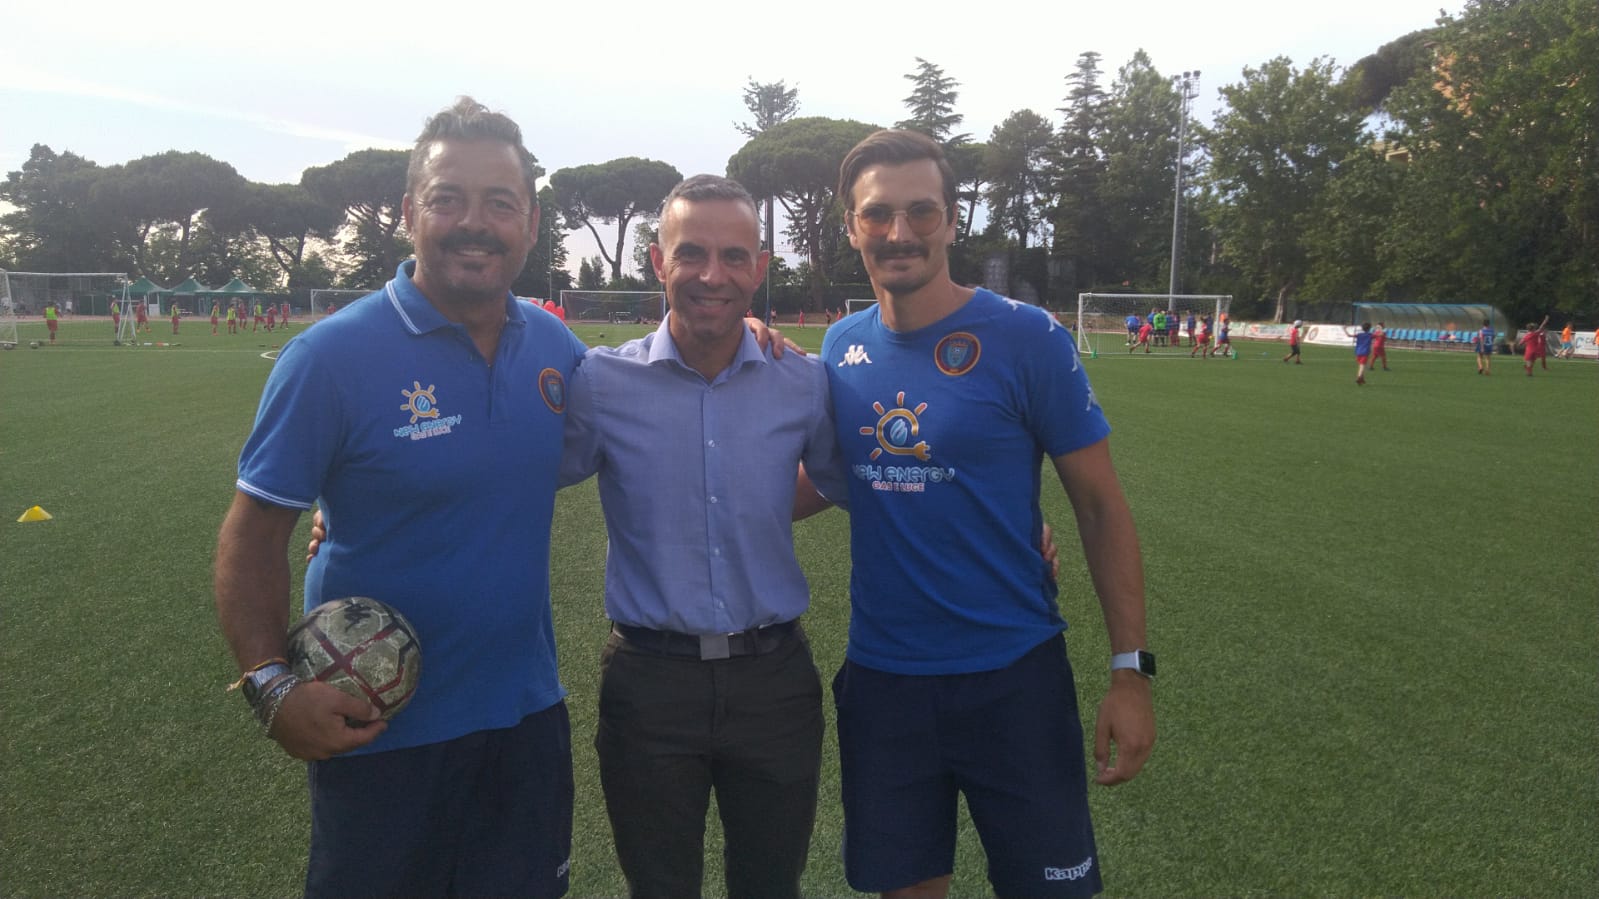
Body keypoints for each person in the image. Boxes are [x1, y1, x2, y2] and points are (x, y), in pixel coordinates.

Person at [214, 97, 585, 899]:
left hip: (525, 720)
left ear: (528, 221)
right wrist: (270, 687)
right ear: (410, 211)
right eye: (448, 198)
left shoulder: (556, 349)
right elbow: (251, 534)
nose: (473, 222)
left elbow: (646, 414)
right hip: (380, 732)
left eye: (499, 202)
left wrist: (752, 341)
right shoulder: (329, 357)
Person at [818, 129, 1154, 898]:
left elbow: (1101, 507)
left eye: (920, 211)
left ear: (952, 219)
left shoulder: (1026, 337)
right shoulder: (837, 348)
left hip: (1014, 679)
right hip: (884, 683)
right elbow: (826, 478)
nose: (898, 232)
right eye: (877, 214)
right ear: (850, 226)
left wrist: (1130, 672)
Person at [560, 174, 847, 899]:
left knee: (769, 885)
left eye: (732, 255)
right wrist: (353, 511)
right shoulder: (599, 381)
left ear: (759, 266)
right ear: (657, 262)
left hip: (774, 681)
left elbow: (866, 476)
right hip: (649, 683)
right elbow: (505, 476)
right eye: (690, 254)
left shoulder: (803, 382)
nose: (711, 275)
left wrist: (1012, 523)